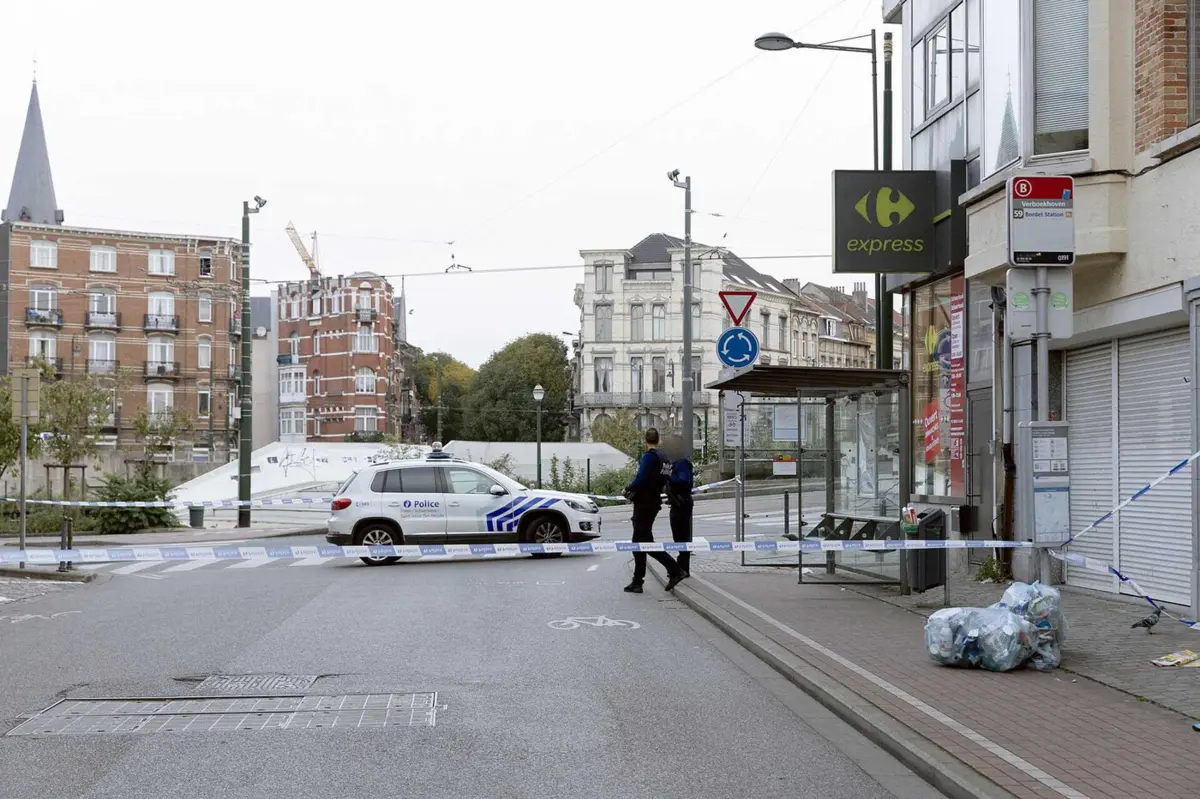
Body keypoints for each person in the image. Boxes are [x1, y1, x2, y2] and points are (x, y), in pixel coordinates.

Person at [623, 428, 685, 594]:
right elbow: (667, 477)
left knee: (641, 543)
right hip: (654, 502)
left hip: (644, 503)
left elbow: (641, 479)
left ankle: (674, 570)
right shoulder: (664, 458)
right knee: (643, 541)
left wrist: (628, 487)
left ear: (645, 441)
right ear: (658, 440)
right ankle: (638, 581)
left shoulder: (649, 457)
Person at [664, 434, 695, 578]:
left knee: (681, 536)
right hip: (678, 502)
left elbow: (683, 481)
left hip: (682, 502)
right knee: (679, 536)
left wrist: (669, 474)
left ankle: (683, 568)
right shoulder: (676, 462)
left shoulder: (682, 462)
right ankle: (682, 566)